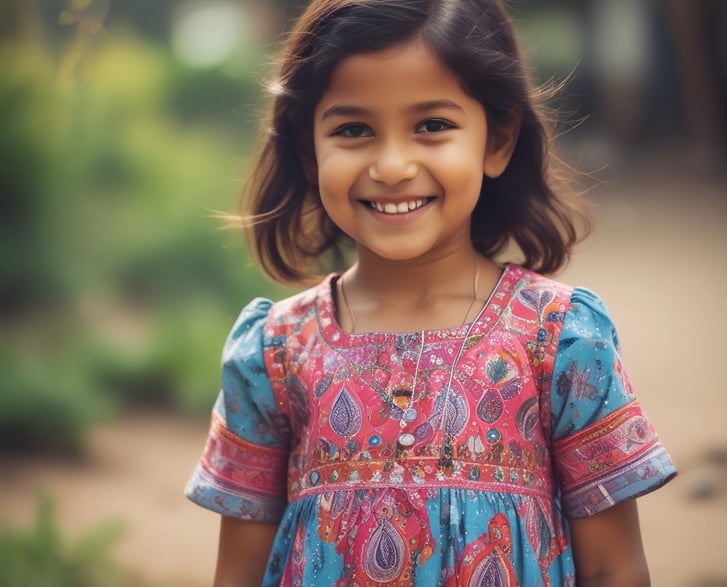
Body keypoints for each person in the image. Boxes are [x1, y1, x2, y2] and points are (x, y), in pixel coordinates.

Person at [186, 1, 677, 585]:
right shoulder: (274, 352)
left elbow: (615, 568)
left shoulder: (560, 339)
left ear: (498, 140)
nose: (392, 165)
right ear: (306, 147)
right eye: (353, 130)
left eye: (432, 126)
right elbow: (237, 573)